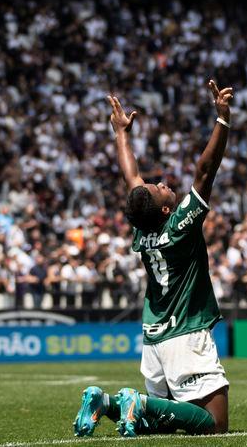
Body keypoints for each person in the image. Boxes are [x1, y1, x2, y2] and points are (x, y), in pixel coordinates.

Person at [73, 80, 234, 438]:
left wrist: (121, 134)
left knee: (160, 426)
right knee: (215, 424)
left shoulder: (142, 228)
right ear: (165, 208)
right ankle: (139, 402)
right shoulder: (178, 226)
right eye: (159, 187)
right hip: (185, 333)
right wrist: (222, 120)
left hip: (154, 336)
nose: (160, 181)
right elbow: (205, 172)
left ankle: (110, 403)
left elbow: (131, 178)